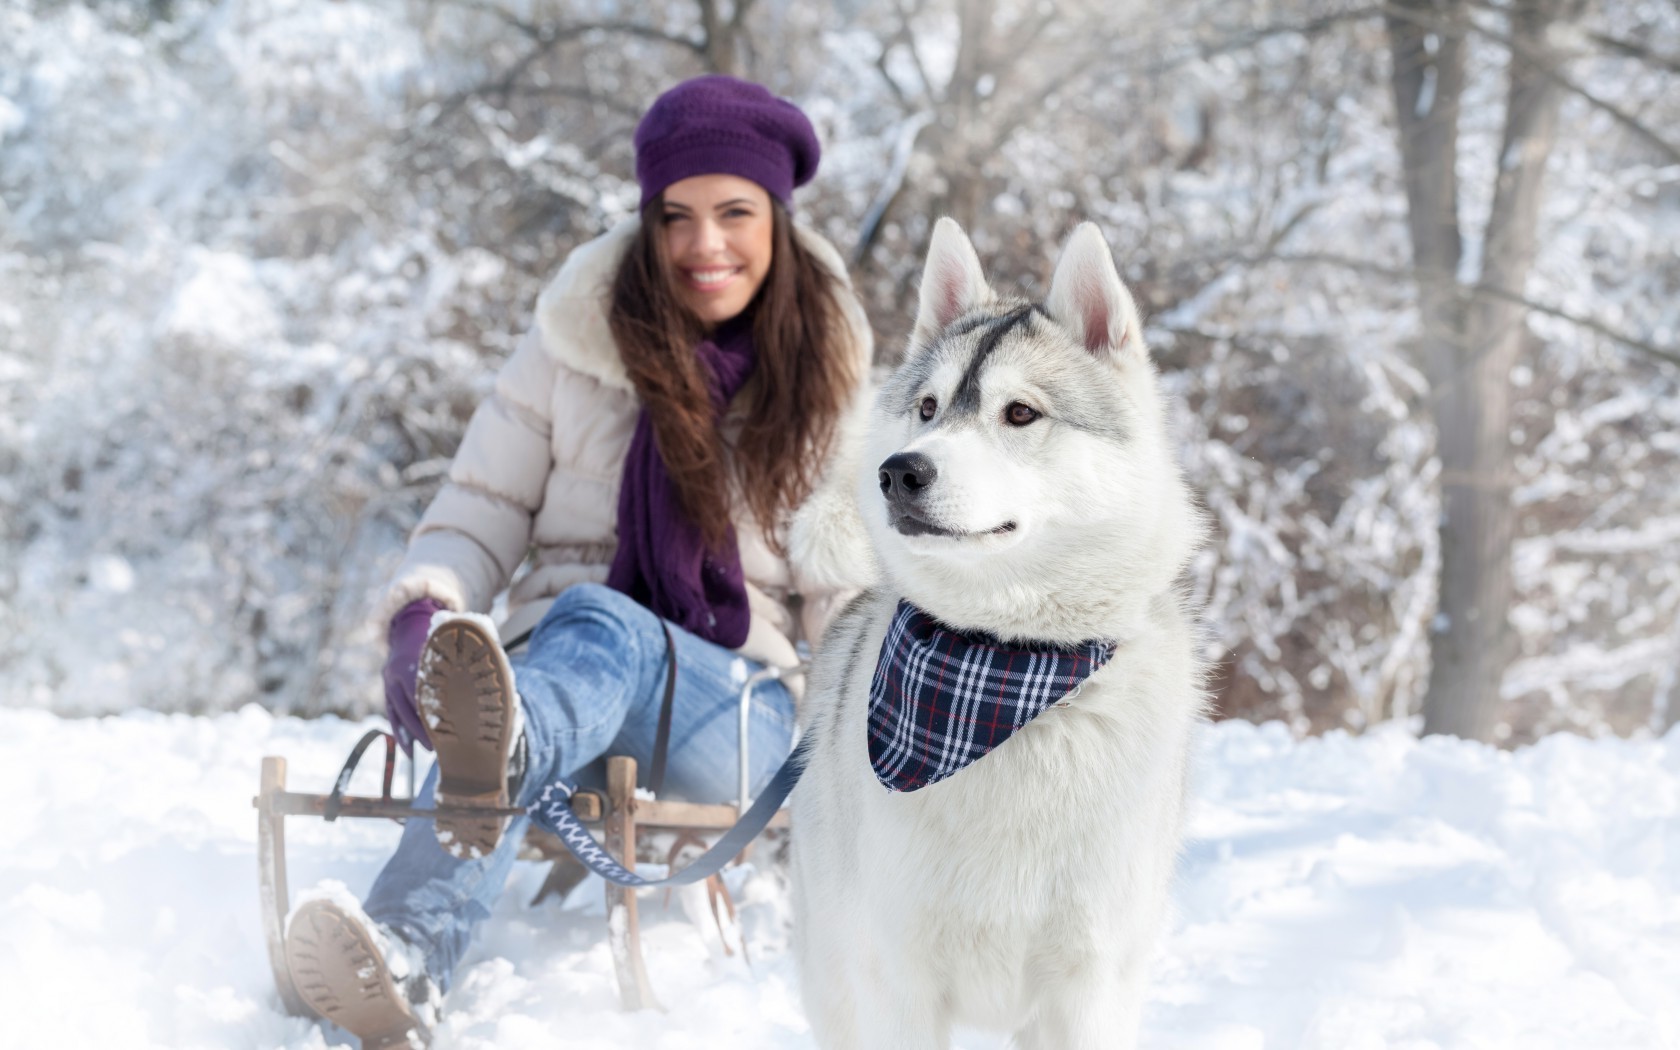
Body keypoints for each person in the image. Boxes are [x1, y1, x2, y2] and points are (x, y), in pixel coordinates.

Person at [281, 75, 872, 1049]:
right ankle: (405, 956)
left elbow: (852, 607)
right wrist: (425, 611)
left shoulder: (828, 385)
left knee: (581, 640)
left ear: (777, 214)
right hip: (566, 693)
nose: (703, 246)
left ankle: (502, 749)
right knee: (548, 669)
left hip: (737, 718)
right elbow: (479, 508)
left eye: (733, 213)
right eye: (675, 216)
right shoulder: (571, 346)